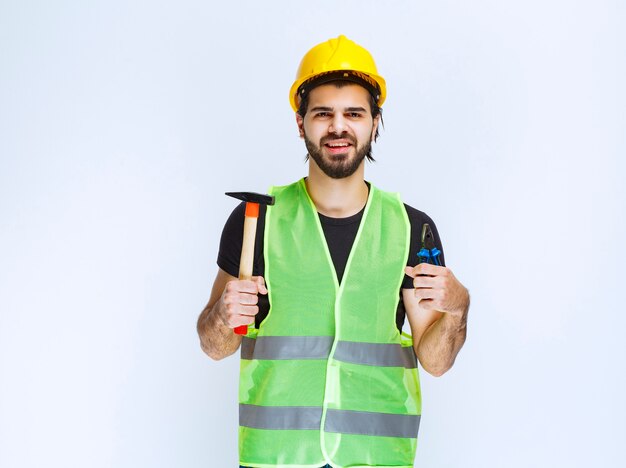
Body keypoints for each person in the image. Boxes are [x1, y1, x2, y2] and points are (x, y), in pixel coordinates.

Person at [197, 34, 470, 468]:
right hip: (277, 458)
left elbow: (435, 362)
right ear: (300, 122)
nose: (338, 127)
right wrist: (222, 316)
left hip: (375, 458)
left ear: (375, 123)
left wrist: (458, 308)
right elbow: (215, 346)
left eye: (354, 114)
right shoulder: (257, 221)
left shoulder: (412, 230)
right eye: (323, 113)